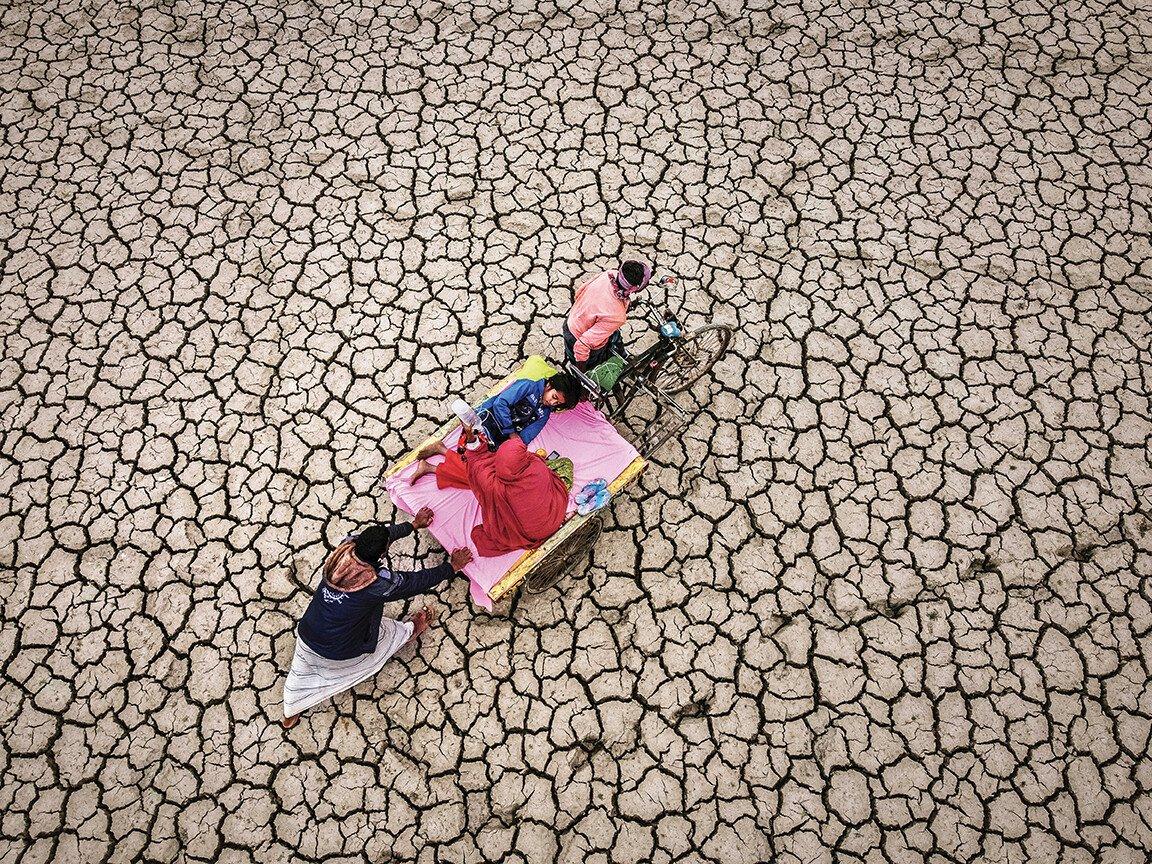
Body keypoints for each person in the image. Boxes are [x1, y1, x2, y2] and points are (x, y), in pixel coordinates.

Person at [280, 507, 473, 729]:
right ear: (383, 554)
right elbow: (415, 582)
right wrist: (452, 567)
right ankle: (413, 629)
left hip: (309, 630)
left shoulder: (346, 547)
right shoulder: (376, 584)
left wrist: (413, 525)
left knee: (298, 676)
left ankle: (290, 714)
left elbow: (378, 537)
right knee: (388, 633)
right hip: (340, 647)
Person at [409, 437, 570, 557]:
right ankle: (436, 460)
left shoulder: (494, 486)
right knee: (476, 474)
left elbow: (475, 465)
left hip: (537, 528)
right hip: (553, 518)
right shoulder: (537, 465)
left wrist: (481, 453)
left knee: (473, 475)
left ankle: (437, 459)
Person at [563, 259, 652, 371]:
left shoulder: (608, 275)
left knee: (615, 335)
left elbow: (578, 293)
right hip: (577, 340)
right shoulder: (617, 316)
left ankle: (624, 357)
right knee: (594, 371)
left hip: (571, 321)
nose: (648, 284)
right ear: (634, 288)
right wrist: (583, 375)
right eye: (645, 283)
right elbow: (582, 345)